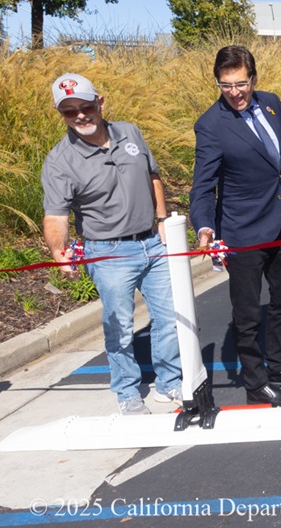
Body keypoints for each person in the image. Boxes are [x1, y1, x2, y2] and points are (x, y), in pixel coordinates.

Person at [190, 46, 281, 407]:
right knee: (247, 315)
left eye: (241, 83)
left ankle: (278, 367)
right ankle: (256, 383)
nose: (234, 92)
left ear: (253, 78)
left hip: (280, 224)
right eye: (226, 85)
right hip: (241, 233)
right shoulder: (211, 125)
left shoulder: (271, 103)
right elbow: (203, 186)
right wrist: (204, 227)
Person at [42, 74, 182, 415]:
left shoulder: (130, 132)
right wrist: (59, 252)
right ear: (61, 114)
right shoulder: (59, 161)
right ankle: (127, 392)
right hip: (107, 253)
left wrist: (162, 219)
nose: (80, 115)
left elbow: (152, 175)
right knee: (119, 327)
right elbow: (56, 215)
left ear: (100, 102)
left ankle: (170, 381)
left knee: (170, 318)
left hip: (152, 243)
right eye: (69, 111)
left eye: (86, 106)